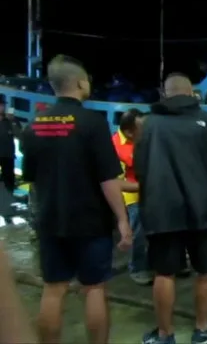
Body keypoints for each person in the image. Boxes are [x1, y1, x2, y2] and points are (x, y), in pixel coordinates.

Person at [20, 54, 132, 344]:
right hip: (90, 221)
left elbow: (30, 176)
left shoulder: (34, 125)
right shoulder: (92, 123)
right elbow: (107, 179)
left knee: (53, 288)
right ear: (81, 82)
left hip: (50, 219)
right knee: (93, 288)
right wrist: (123, 220)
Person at [134, 73, 207, 344]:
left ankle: (165, 335)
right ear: (191, 93)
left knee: (164, 273)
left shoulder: (149, 124)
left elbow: (140, 167)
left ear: (165, 93)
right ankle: (202, 328)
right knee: (204, 272)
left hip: (162, 210)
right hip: (202, 209)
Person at [112, 109, 152, 285]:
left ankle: (149, 262)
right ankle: (137, 268)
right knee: (138, 233)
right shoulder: (116, 147)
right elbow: (116, 183)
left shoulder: (142, 139)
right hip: (132, 197)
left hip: (149, 192)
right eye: (140, 128)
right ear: (129, 131)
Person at [0, 101, 21, 194]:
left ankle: (10, 196)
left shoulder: (12, 120)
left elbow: (19, 135)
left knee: (9, 180)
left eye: (3, 105)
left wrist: (12, 122)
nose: (2, 107)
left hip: (7, 154)